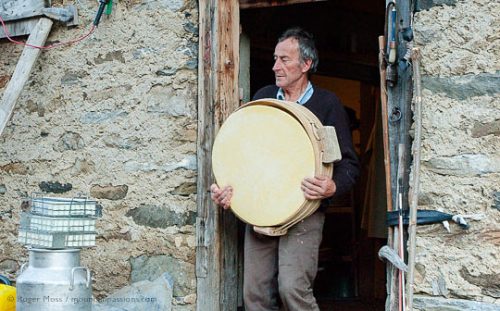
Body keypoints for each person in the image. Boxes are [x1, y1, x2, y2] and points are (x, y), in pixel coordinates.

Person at [211, 27, 359, 311]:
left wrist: (333, 187)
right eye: (275, 59)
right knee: (254, 294)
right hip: (262, 209)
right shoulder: (264, 98)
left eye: (284, 60)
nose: (275, 66)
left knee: (292, 289)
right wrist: (228, 187)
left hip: (305, 210)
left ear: (306, 65)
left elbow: (348, 164)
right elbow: (244, 152)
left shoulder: (326, 105)